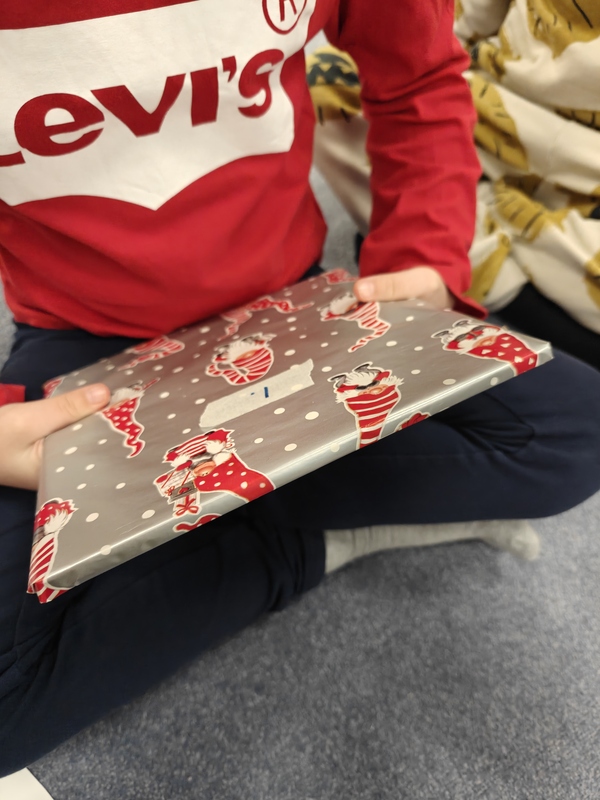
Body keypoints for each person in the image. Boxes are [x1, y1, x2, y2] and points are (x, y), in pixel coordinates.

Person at [1, 0, 600, 777]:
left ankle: (203, 520)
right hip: (85, 344)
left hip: (298, 308)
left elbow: (419, 77)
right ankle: (312, 538)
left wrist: (424, 255)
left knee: (573, 434)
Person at [308, 0, 600, 369]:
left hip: (584, 173)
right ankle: (466, 258)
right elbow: (440, 39)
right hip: (493, 111)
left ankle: (477, 265)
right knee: (331, 80)